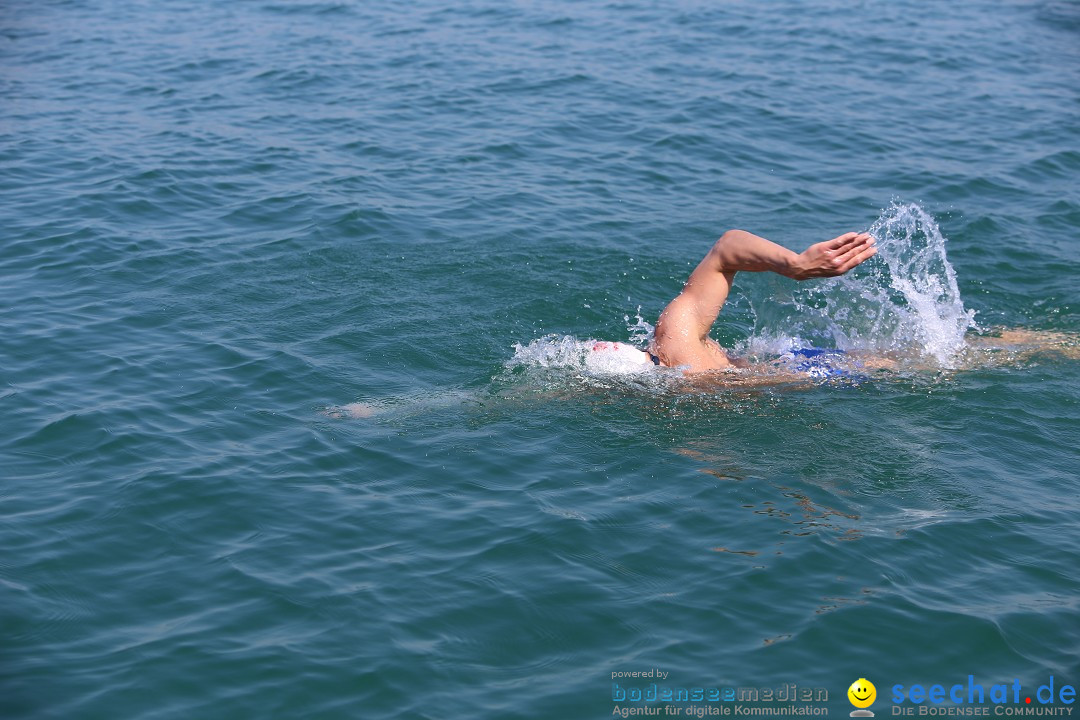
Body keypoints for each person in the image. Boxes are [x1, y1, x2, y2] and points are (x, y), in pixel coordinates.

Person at [646, 229, 877, 372]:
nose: (608, 345)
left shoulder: (673, 339)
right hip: (801, 379)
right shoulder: (675, 374)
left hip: (820, 372)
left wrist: (796, 265)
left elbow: (725, 249)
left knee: (894, 364)